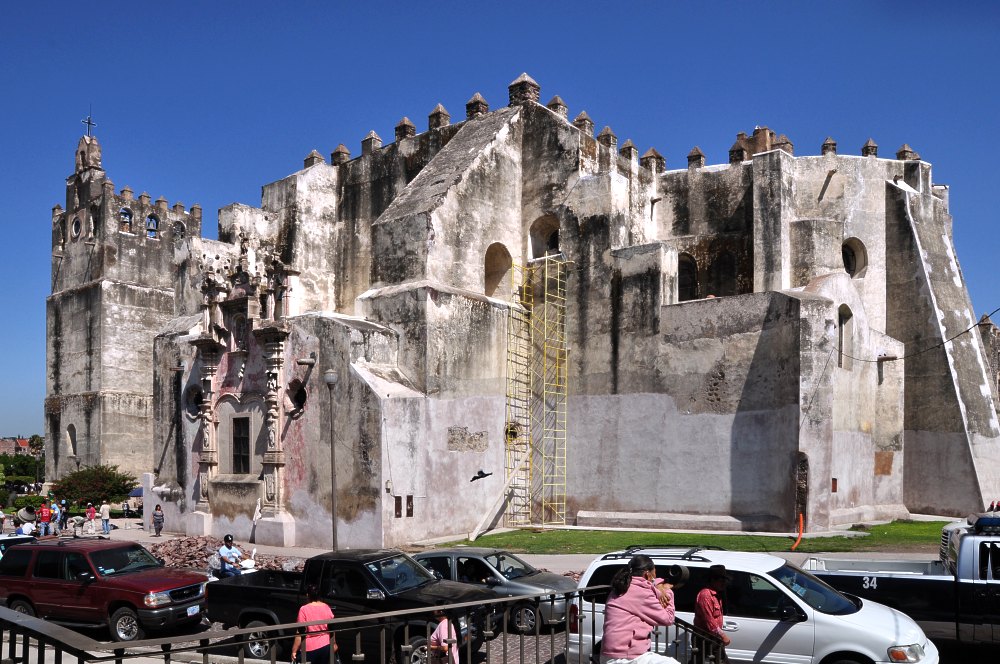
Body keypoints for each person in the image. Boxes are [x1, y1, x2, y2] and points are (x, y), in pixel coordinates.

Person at [601, 554, 678, 664]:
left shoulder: (623, 586)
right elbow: (668, 619)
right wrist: (667, 591)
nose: (655, 577)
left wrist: (659, 584)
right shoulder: (642, 592)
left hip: (610, 654)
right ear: (647, 574)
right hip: (624, 657)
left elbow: (651, 583)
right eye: (654, 573)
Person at [290, 583, 336, 664]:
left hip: (309, 648)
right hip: (325, 645)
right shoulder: (326, 607)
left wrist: (294, 650)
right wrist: (334, 643)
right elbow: (331, 627)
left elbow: (300, 632)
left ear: (308, 595)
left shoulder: (304, 609)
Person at [693, 565, 731, 663]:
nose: (724, 583)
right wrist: (723, 635)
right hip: (703, 637)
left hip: (713, 637)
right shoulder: (705, 595)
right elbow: (709, 620)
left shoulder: (717, 595)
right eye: (721, 580)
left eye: (724, 580)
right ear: (713, 580)